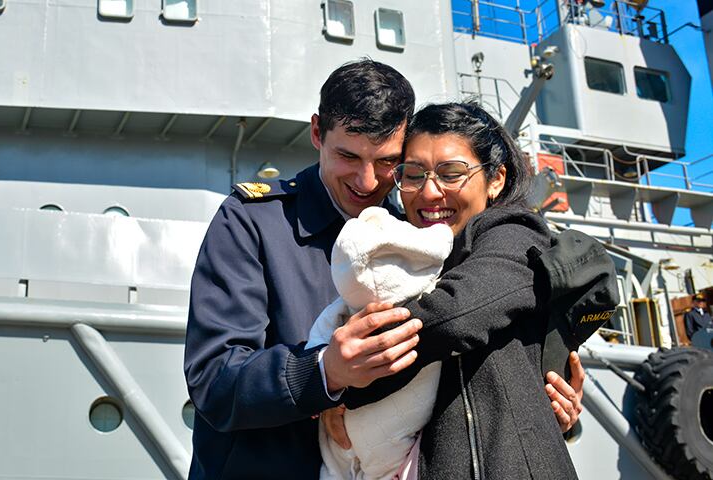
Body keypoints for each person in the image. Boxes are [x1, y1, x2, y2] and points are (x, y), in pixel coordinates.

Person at [184, 61, 585, 479]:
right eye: (348, 156)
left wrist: (549, 410)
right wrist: (325, 371)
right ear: (317, 133)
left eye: (388, 163)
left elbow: (454, 387)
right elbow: (213, 380)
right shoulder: (252, 222)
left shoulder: (424, 229)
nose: (367, 180)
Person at [331, 102, 602, 479]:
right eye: (413, 174)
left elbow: (455, 317)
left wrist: (342, 383)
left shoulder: (513, 235)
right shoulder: (412, 254)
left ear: (496, 180)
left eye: (451, 172)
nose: (429, 192)